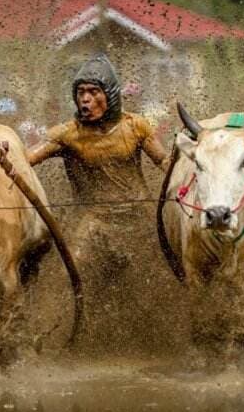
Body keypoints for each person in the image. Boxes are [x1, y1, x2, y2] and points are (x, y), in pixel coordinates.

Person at [26, 54, 170, 350]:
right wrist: (2, 155)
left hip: (140, 217)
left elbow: (165, 163)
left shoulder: (136, 126)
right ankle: (53, 335)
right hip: (94, 220)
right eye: (81, 93)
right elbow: (26, 160)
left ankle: (164, 335)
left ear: (111, 95)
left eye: (93, 93)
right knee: (70, 271)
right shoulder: (68, 134)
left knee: (164, 272)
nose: (85, 101)